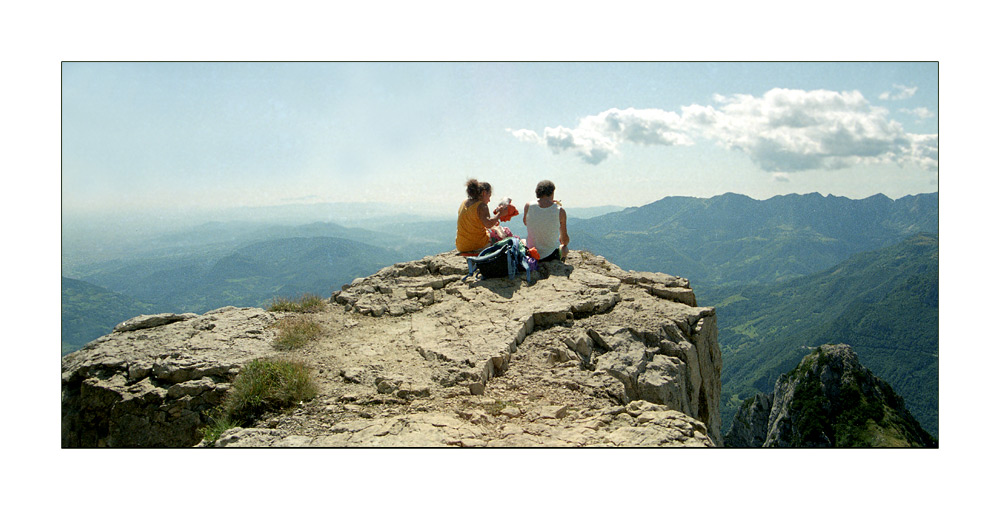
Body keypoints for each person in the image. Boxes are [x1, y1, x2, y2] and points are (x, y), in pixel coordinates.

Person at [523, 179, 569, 262]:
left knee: (522, 241)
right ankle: (560, 261)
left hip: (531, 253)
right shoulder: (560, 211)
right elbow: (564, 240)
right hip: (550, 256)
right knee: (565, 249)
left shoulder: (528, 206)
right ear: (552, 192)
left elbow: (526, 223)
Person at [456, 178, 506, 253]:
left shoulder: (464, 202)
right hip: (477, 245)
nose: (489, 200)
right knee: (504, 233)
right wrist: (500, 214)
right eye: (489, 196)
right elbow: (488, 224)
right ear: (484, 193)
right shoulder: (482, 206)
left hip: (461, 246)